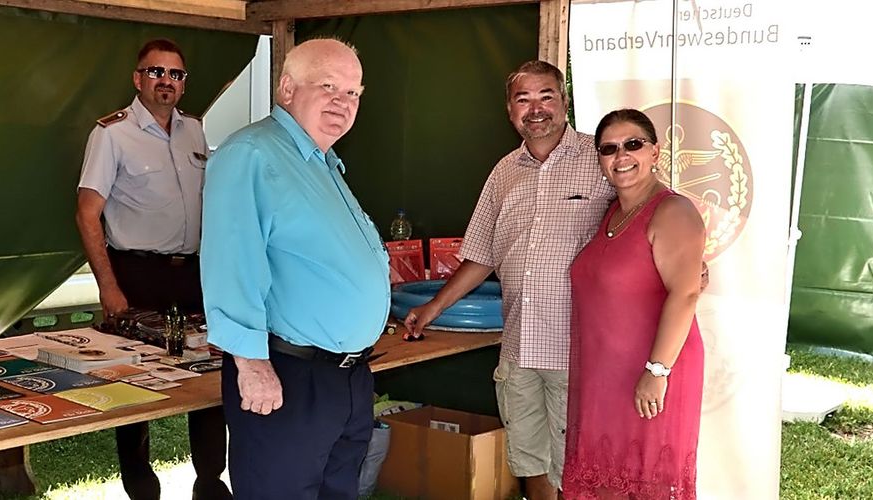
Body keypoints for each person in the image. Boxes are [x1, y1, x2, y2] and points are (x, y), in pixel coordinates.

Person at [404, 60, 614, 500]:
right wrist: (431, 308)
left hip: (578, 348)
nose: (535, 109)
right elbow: (480, 254)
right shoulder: (504, 172)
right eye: (524, 99)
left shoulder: (601, 157)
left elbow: (652, 209)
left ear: (565, 101)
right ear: (509, 110)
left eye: (546, 96)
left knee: (578, 466)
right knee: (529, 459)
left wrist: (685, 261)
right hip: (519, 347)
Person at [200, 38, 390, 499]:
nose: (342, 103)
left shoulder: (323, 162)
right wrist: (250, 363)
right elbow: (230, 263)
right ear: (287, 88)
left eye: (353, 93)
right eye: (328, 86)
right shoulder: (253, 154)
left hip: (344, 379)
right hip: (287, 377)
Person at [75, 39, 231, 500]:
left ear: (183, 84)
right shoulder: (111, 133)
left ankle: (209, 483)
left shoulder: (194, 130)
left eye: (176, 75)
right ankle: (141, 489)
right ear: (138, 79)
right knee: (135, 383)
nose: (167, 81)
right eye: (156, 72)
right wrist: (109, 286)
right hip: (137, 273)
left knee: (207, 374)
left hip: (193, 272)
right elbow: (87, 214)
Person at [562, 108, 705, 500]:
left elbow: (686, 293)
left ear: (655, 151)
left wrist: (657, 371)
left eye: (633, 144)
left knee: (643, 484)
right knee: (607, 482)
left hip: (651, 370)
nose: (621, 156)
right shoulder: (613, 211)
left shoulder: (673, 211)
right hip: (605, 374)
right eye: (608, 149)